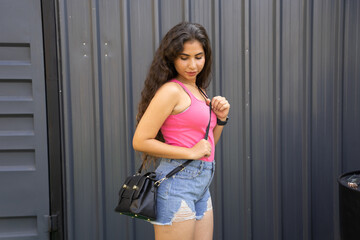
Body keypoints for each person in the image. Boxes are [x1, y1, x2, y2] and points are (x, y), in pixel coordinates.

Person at [132, 22, 230, 240]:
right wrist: (189, 152)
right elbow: (140, 140)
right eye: (184, 57)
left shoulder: (200, 91)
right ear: (172, 58)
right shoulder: (171, 91)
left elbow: (206, 147)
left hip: (202, 184)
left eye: (198, 56)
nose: (192, 64)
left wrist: (221, 120)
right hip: (177, 183)